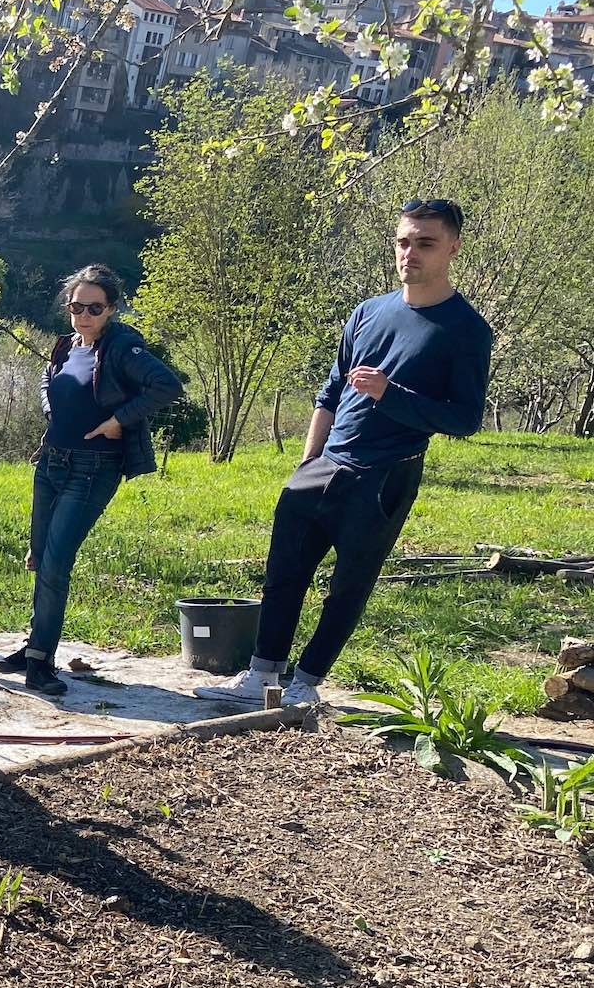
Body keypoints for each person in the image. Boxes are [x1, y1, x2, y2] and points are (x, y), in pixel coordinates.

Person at [198, 199, 492, 707]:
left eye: (425, 243)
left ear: (453, 248)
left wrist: (391, 394)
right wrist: (308, 461)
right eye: (403, 241)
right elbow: (330, 393)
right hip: (324, 466)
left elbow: (464, 419)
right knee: (283, 576)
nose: (410, 253)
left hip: (385, 476)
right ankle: (260, 677)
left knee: (348, 587)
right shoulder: (368, 312)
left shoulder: (466, 330)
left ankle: (306, 685)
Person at [0, 265, 183, 697]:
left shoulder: (122, 348)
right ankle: (34, 645)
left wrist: (119, 420)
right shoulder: (66, 345)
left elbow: (166, 385)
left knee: (58, 560)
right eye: (77, 306)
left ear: (111, 309)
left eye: (94, 308)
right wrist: (49, 410)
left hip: (92, 468)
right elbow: (48, 380)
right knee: (40, 556)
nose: (83, 315)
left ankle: (41, 661)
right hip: (51, 463)